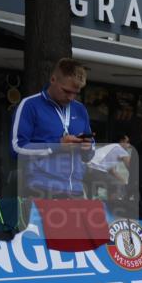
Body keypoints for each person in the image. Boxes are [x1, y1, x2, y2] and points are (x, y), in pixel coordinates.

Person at [11, 58, 94, 198]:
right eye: (66, 91)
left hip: (75, 191)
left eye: (76, 93)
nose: (71, 98)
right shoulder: (30, 105)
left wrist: (88, 148)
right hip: (41, 189)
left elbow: (90, 153)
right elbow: (16, 149)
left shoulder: (80, 109)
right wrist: (58, 145)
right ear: (53, 79)